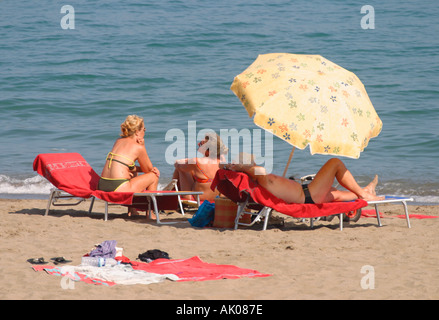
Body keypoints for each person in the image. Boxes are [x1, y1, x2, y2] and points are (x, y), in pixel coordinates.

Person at [220, 158, 384, 205]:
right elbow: (255, 168)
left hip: (308, 193)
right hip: (308, 195)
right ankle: (364, 194)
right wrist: (239, 166)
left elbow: (252, 167)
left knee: (338, 194)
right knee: (335, 163)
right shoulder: (263, 179)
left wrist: (236, 166)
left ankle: (365, 191)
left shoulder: (260, 181)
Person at [98, 115, 160, 216]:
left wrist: (136, 169)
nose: (145, 132)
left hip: (102, 185)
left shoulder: (118, 141)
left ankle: (132, 211)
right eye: (144, 129)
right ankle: (150, 213)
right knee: (153, 176)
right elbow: (148, 170)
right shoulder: (138, 147)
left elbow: (126, 165)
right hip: (118, 188)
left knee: (132, 171)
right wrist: (142, 146)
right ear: (137, 132)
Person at [173, 132, 228, 202]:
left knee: (181, 169)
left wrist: (184, 161)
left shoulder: (197, 161)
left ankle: (170, 193)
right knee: (191, 169)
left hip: (196, 198)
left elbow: (177, 164)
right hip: (215, 198)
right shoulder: (222, 161)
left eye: (201, 144)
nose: (198, 144)